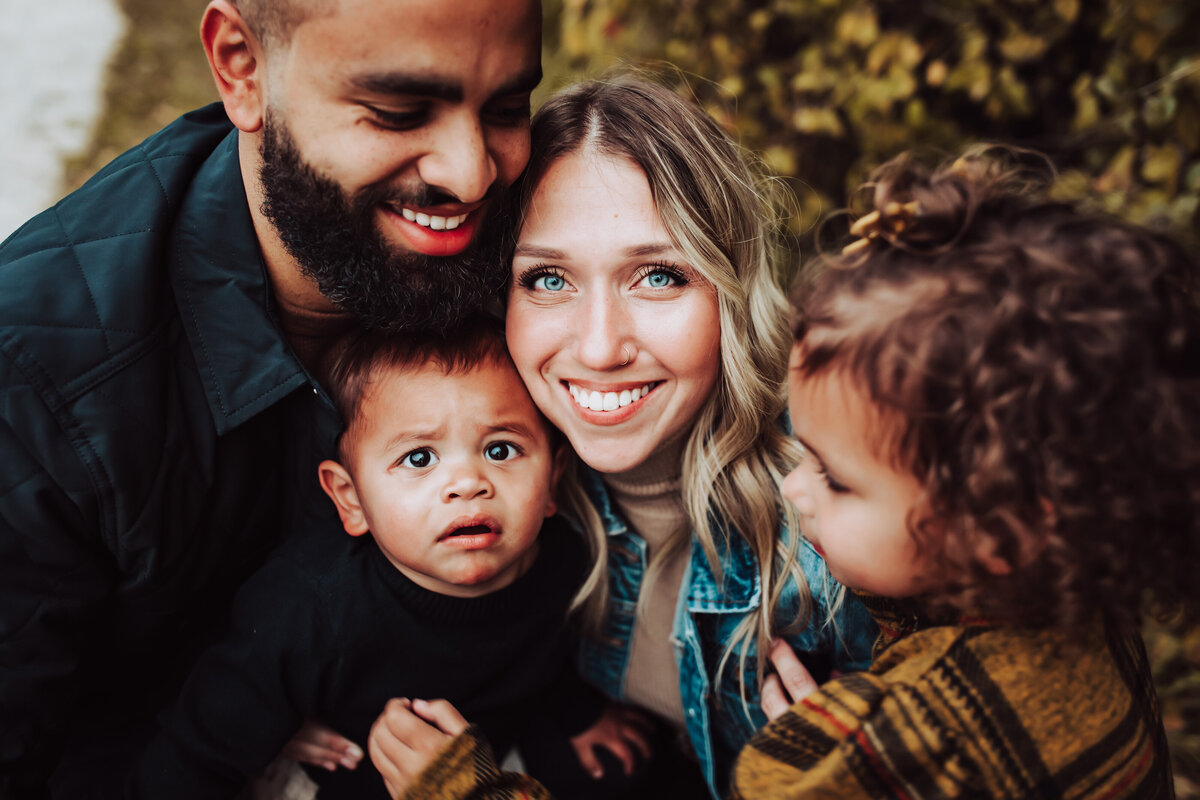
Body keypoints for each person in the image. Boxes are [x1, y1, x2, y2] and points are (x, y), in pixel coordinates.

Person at [0, 0, 542, 795]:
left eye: (506, 108)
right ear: (241, 67)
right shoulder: (38, 382)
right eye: (398, 112)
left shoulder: (546, 250)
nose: (472, 173)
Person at [369, 75, 878, 800]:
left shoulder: (840, 513)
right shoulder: (502, 485)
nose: (601, 348)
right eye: (548, 280)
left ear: (730, 288)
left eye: (659, 276)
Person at [730, 150, 1196, 797]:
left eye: (834, 477)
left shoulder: (915, 740)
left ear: (1001, 534)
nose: (792, 488)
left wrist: (827, 749)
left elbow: (769, 782)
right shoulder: (1089, 604)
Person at [127, 320, 601, 800]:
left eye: (501, 450)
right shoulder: (307, 606)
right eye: (419, 459)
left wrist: (581, 716)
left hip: (489, 766)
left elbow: (542, 658)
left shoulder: (562, 559)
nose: (468, 483)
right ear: (351, 499)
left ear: (553, 481)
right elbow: (195, 754)